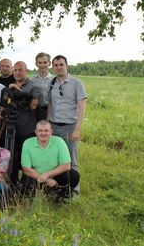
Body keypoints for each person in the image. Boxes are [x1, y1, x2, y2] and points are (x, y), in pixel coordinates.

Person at [48, 55, 87, 194]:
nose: (58, 67)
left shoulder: (77, 83)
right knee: (55, 159)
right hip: (53, 126)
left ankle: (75, 190)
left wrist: (77, 129)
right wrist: (47, 125)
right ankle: (57, 188)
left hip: (70, 127)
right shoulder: (52, 83)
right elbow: (50, 104)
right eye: (56, 65)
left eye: (61, 64)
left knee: (71, 159)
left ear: (67, 66)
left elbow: (82, 107)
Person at [21, 120, 80, 201]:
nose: (43, 133)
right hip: (37, 176)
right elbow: (26, 169)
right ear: (36, 132)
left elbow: (66, 166)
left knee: (73, 175)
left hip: (55, 175)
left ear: (51, 132)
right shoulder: (27, 143)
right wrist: (47, 180)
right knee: (25, 188)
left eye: (46, 131)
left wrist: (48, 175)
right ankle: (42, 195)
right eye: (40, 131)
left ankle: (59, 197)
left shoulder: (59, 142)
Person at [7, 61, 40, 186]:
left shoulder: (33, 86)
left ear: (26, 70)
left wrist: (20, 93)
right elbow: (6, 103)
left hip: (27, 128)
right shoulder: (10, 85)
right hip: (11, 126)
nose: (17, 72)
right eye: (15, 70)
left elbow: (33, 106)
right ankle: (12, 184)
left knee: (27, 158)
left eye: (20, 70)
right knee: (12, 157)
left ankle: (27, 186)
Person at [32, 52, 54, 121]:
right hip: (36, 111)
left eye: (45, 62)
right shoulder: (32, 80)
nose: (42, 65)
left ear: (49, 63)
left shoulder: (54, 80)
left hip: (51, 111)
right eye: (40, 62)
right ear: (36, 64)